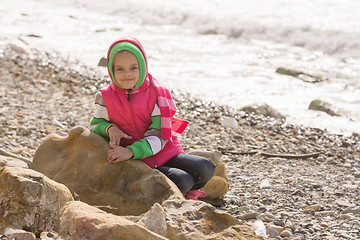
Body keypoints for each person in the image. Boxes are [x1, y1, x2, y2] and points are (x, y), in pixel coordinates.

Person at [89, 36, 215, 200]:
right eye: (120, 69)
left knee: (206, 167)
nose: (127, 74)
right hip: (138, 161)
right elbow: (94, 126)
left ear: (143, 66)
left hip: (163, 150)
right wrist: (109, 128)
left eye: (133, 68)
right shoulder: (105, 97)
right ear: (111, 70)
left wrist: (130, 151)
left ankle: (187, 192)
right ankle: (182, 190)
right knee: (183, 179)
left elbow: (158, 135)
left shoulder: (156, 93)